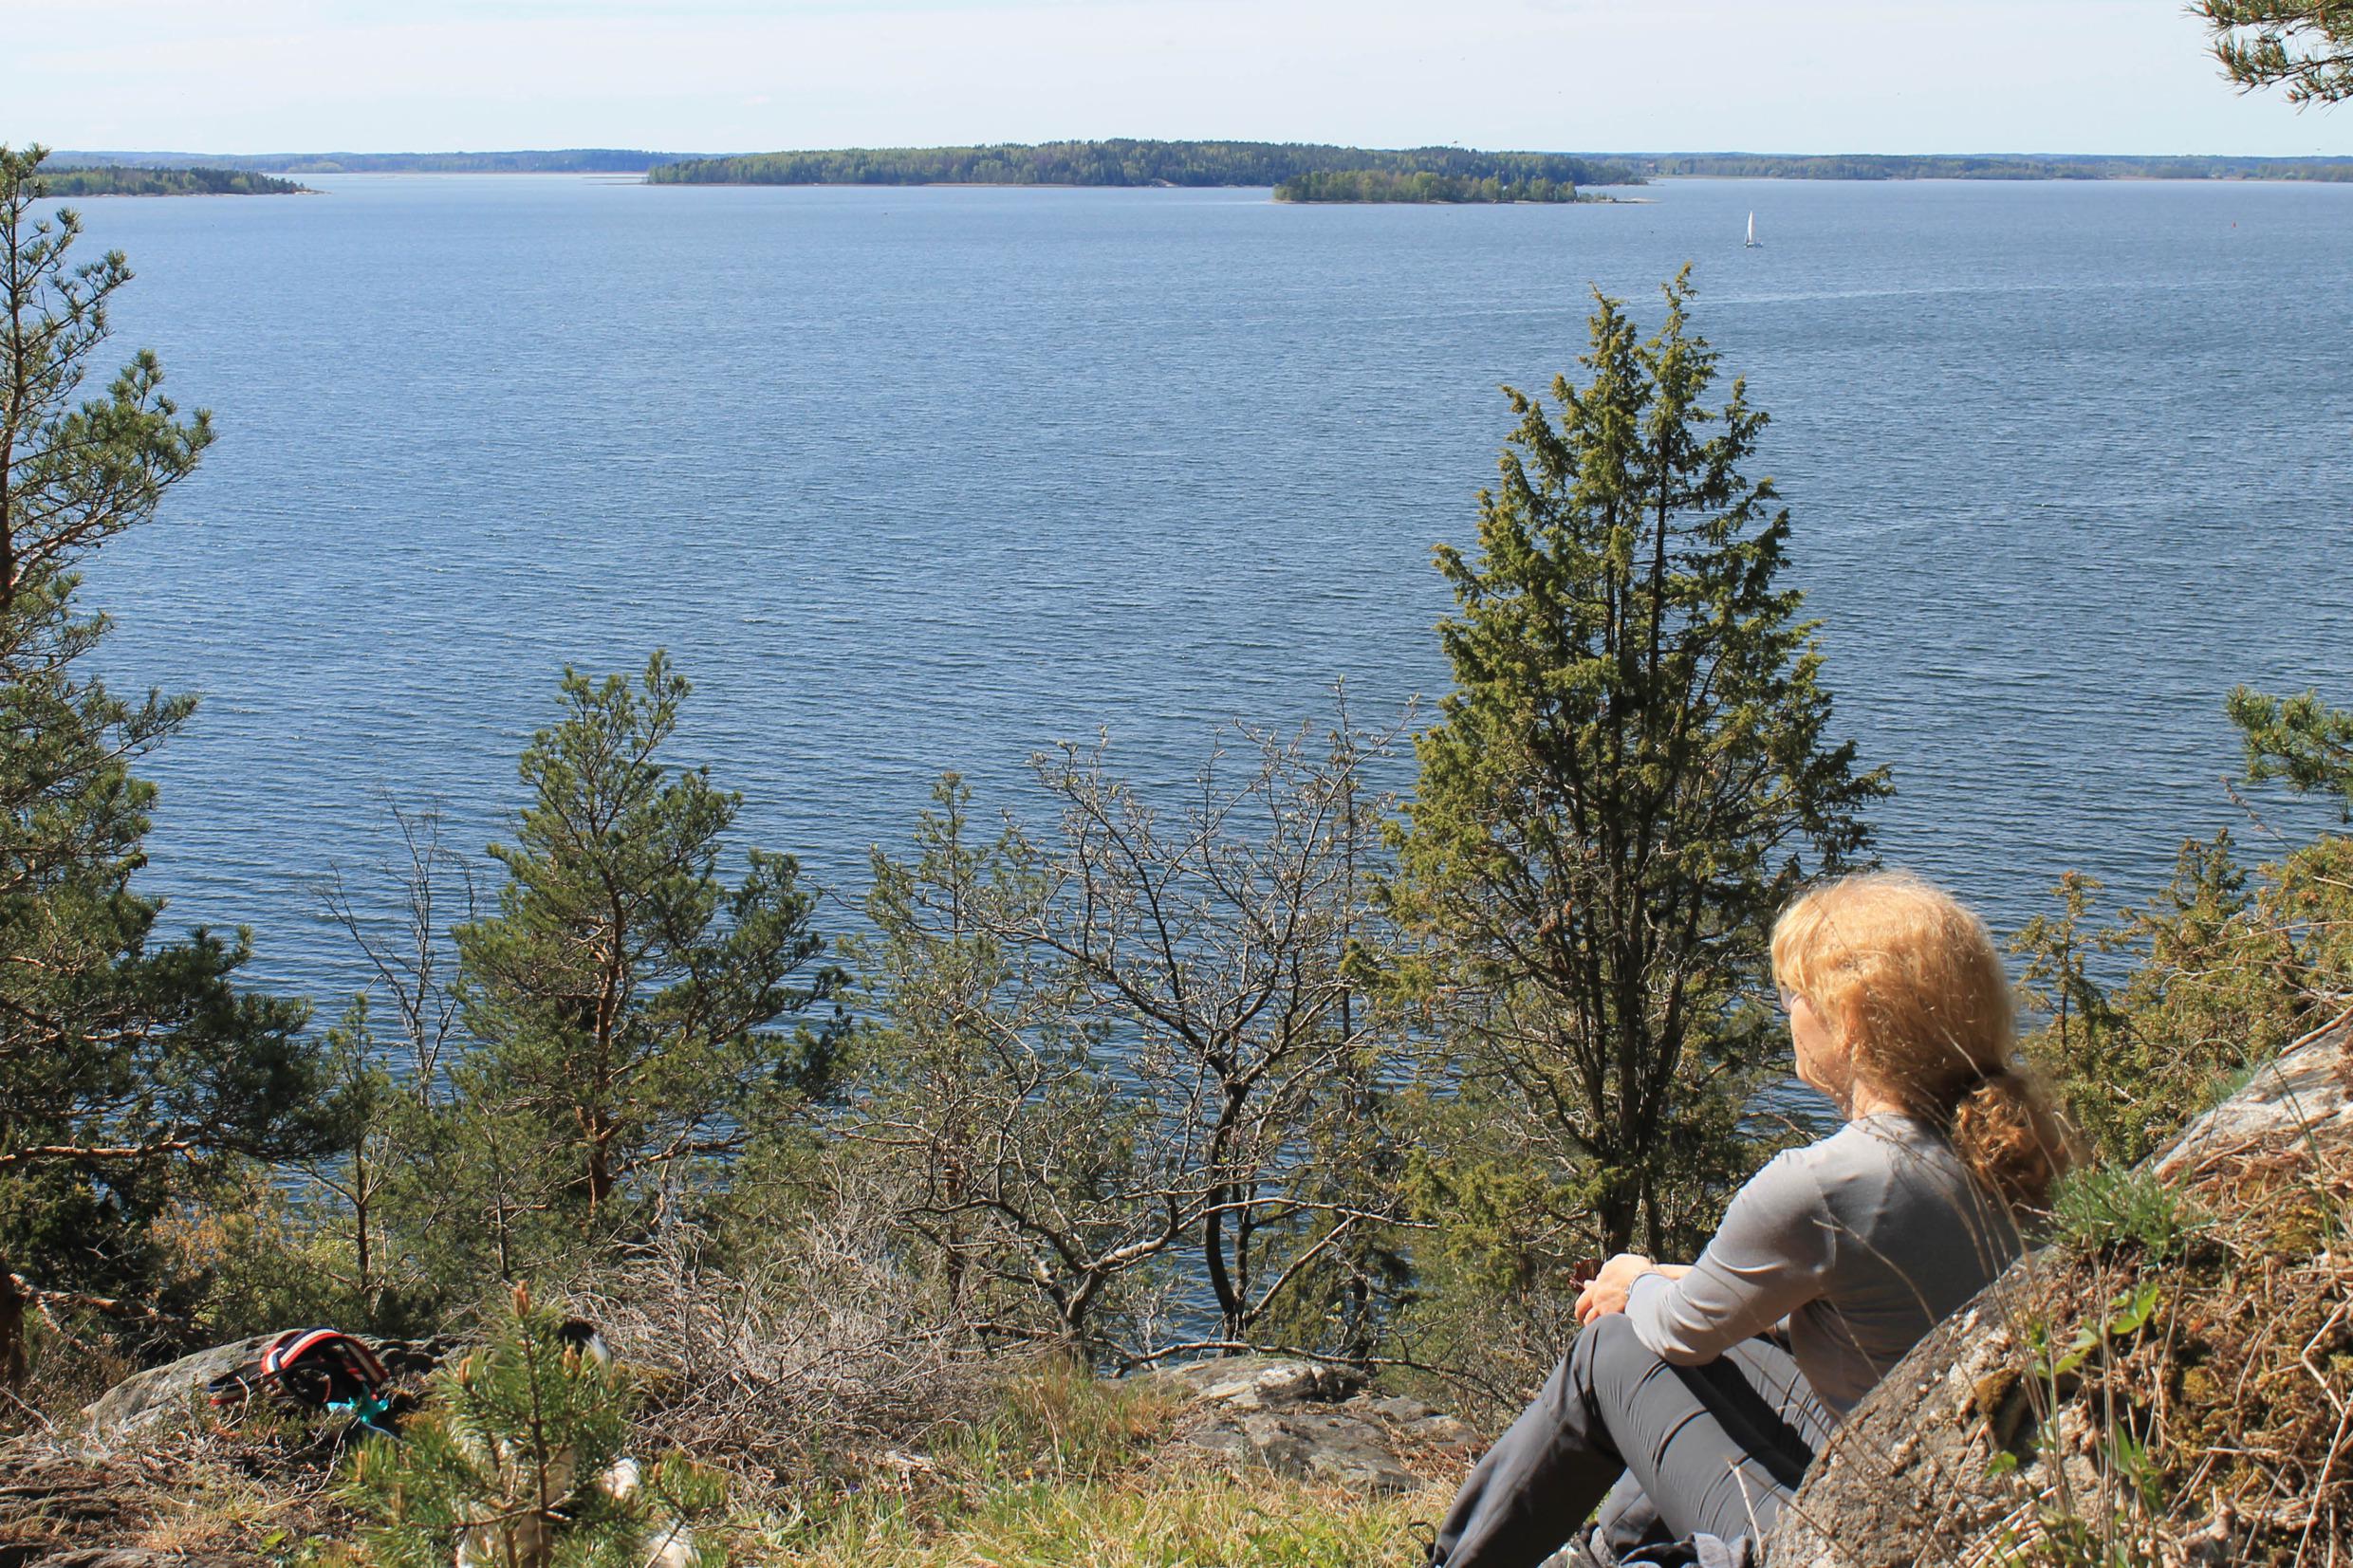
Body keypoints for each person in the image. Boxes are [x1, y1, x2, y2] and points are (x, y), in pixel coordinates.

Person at [1429, 872, 2075, 1568]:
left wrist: (1635, 1282)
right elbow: (1823, 1310)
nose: (1787, 1011)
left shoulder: (1826, 1184)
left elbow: (1679, 1328)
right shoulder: (2008, 1153)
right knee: (1726, 1353)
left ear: (1851, 1023)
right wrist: (1667, 1280)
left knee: (1609, 1350)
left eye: (1794, 995)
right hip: (1943, 1497)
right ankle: (1605, 1553)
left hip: (1839, 1538)